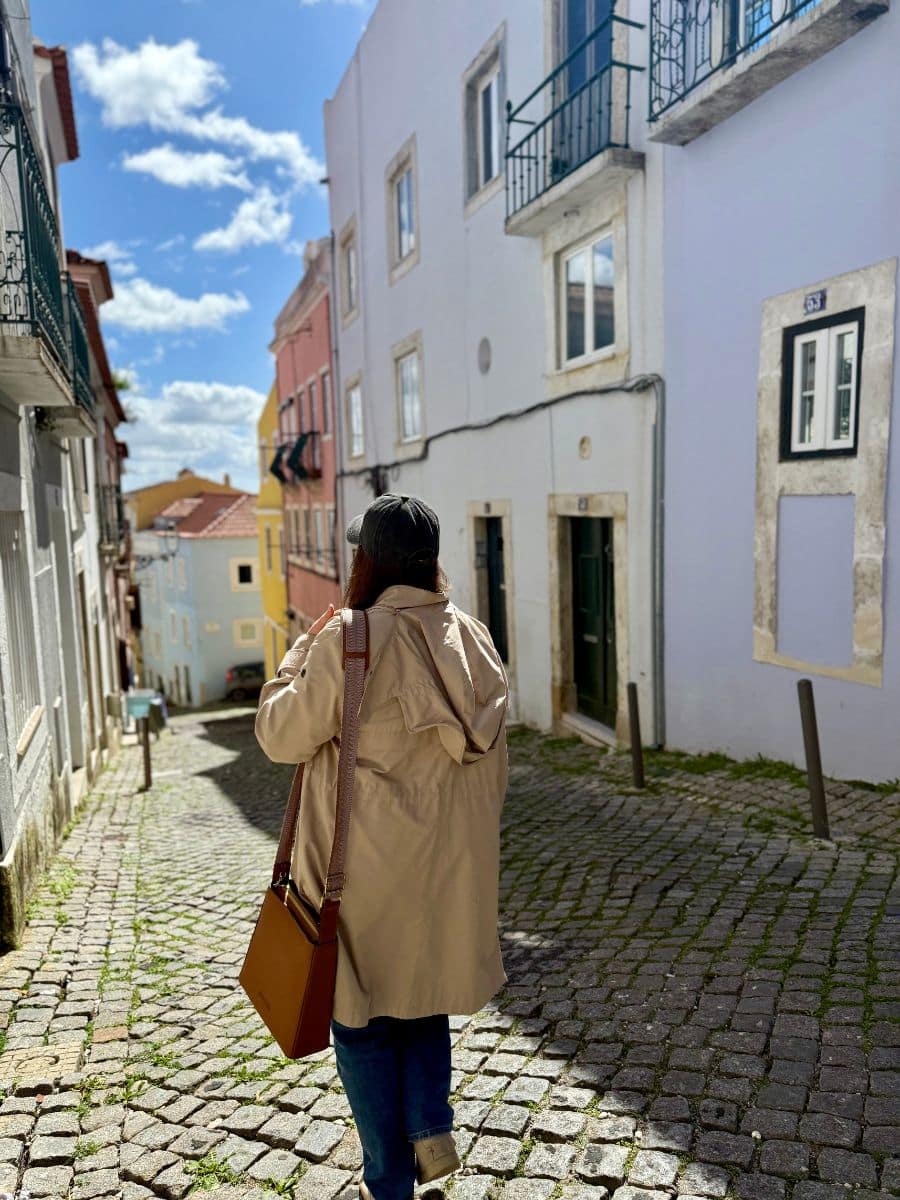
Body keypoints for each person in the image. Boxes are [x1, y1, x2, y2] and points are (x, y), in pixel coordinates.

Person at [255, 493, 509, 1200]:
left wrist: (302, 649)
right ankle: (430, 1129)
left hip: (362, 876)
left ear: (366, 560)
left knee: (363, 1024)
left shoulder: (349, 639)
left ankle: (388, 1179)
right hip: (445, 868)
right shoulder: (474, 637)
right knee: (421, 997)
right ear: (429, 561)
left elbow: (280, 736)